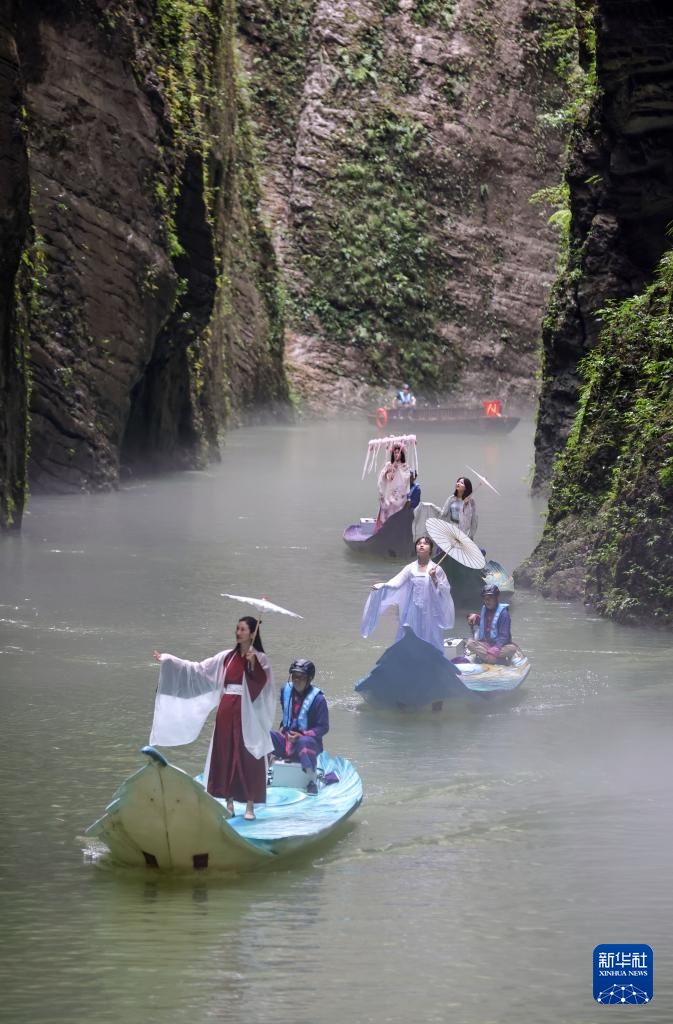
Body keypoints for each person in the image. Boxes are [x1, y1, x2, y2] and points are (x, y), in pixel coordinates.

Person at [150, 616, 275, 820]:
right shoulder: (227, 657)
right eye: (237, 628)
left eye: (243, 629)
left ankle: (250, 805)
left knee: (248, 756)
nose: (238, 632)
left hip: (248, 713)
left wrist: (253, 666)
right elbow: (199, 669)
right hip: (226, 710)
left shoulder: (260, 658)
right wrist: (169, 659)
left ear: (252, 633)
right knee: (225, 754)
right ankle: (229, 802)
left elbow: (264, 688)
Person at [362, 535, 455, 651]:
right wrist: (383, 586)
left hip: (430, 610)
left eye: (425, 543)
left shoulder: (437, 569)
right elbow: (396, 582)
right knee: (410, 634)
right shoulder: (410, 568)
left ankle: (431, 657)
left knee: (430, 636)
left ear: (430, 550)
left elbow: (445, 590)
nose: (421, 545)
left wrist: (435, 578)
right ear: (416, 548)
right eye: (419, 543)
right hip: (412, 609)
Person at [270, 658, 329, 793]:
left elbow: (323, 728)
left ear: (309, 679)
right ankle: (261, 774)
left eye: (301, 677)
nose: (297, 680)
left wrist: (301, 735)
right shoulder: (285, 691)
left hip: (309, 742)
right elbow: (287, 718)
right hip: (287, 739)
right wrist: (288, 735)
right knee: (265, 736)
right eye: (295, 676)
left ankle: (310, 780)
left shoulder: (319, 700)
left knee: (303, 742)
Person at [466, 584, 517, 664]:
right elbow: (484, 625)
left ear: (496, 598)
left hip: (500, 647)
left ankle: (487, 658)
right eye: (485, 598)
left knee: (512, 649)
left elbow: (504, 636)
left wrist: (495, 649)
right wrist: (476, 618)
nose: (487, 601)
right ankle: (494, 659)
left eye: (490, 598)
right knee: (469, 644)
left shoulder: (504, 614)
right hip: (486, 645)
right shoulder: (484, 609)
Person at [375, 441, 411, 530]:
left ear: (401, 454)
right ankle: (386, 529)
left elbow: (406, 478)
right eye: (395, 453)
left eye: (398, 452)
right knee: (389, 510)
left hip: (400, 494)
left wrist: (398, 469)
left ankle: (398, 530)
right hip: (389, 492)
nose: (396, 454)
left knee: (398, 512)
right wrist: (390, 470)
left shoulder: (405, 466)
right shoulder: (389, 465)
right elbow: (384, 478)